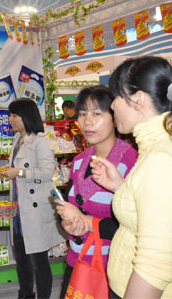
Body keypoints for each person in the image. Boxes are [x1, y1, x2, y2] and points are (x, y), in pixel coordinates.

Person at [86, 56, 172, 298]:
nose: (113, 106)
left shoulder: (160, 159)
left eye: (117, 96)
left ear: (139, 99)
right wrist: (121, 187)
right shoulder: (153, 149)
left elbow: (155, 264)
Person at [53, 86, 137, 298]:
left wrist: (86, 221)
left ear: (115, 118)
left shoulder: (131, 162)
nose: (87, 121)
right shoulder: (79, 161)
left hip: (113, 270)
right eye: (82, 114)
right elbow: (69, 207)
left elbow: (135, 226)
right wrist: (68, 222)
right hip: (78, 262)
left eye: (97, 114)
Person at [0, 98, 65, 299]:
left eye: (14, 115)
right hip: (19, 209)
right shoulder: (16, 140)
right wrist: (10, 171)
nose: (10, 119)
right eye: (10, 115)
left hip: (34, 209)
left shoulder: (40, 141)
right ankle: (25, 294)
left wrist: (19, 172)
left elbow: (47, 172)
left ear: (25, 117)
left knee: (39, 260)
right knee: (21, 257)